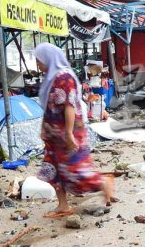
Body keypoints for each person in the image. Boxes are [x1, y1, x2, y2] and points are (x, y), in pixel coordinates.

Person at [34, 43, 114, 218]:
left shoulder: (64, 78)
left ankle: (102, 182)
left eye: (39, 60)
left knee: (76, 169)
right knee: (53, 169)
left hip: (67, 132)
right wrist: (43, 128)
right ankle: (62, 205)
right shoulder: (51, 78)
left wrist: (69, 133)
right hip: (53, 134)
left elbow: (70, 106)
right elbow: (49, 107)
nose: (37, 65)